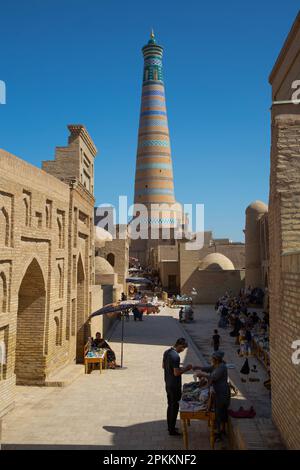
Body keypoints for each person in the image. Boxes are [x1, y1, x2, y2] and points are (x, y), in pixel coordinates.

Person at [193, 351, 230, 440]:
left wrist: (202, 374)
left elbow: (212, 377)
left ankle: (219, 433)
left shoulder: (221, 367)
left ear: (216, 360)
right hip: (218, 391)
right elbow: (209, 368)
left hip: (222, 392)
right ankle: (221, 430)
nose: (211, 360)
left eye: (212, 359)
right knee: (219, 411)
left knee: (219, 412)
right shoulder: (216, 365)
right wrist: (199, 367)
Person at [162, 338, 192, 436]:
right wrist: (186, 368)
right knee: (174, 407)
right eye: (183, 348)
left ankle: (170, 427)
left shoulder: (167, 352)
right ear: (179, 345)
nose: (182, 350)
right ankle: (172, 430)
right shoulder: (175, 356)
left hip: (168, 382)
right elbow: (176, 372)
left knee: (170, 405)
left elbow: (163, 366)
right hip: (174, 385)